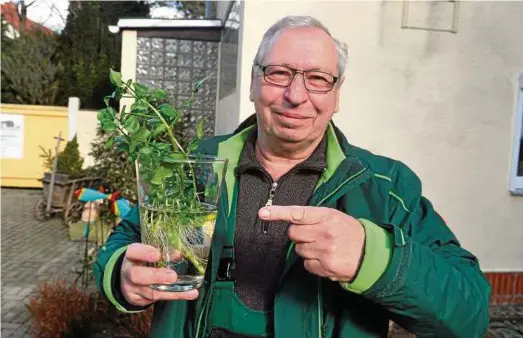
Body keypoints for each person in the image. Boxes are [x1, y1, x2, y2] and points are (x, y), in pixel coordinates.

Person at [94, 15, 491, 338]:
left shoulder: (385, 186)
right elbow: (128, 241)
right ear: (253, 82)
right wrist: (122, 276)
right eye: (279, 73)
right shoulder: (194, 164)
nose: (296, 95)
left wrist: (377, 258)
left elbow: (469, 315)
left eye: (318, 79)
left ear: (337, 95)